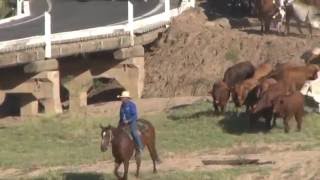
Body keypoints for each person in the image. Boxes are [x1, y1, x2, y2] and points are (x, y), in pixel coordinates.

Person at [118, 91, 144, 155]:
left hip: (132, 121)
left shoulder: (132, 105)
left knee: (134, 132)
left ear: (127, 98)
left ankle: (141, 147)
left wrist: (128, 120)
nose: (122, 99)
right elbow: (121, 115)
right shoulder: (122, 106)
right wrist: (122, 120)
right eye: (121, 98)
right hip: (124, 122)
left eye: (123, 98)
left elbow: (135, 115)